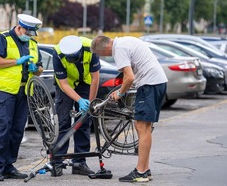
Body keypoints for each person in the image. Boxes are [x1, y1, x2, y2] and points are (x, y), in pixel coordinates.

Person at [90, 35, 167, 183]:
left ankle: (141, 172)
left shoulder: (118, 49)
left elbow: (130, 77)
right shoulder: (125, 41)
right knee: (144, 127)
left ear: (104, 48)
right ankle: (145, 168)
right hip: (157, 82)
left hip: (149, 85)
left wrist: (119, 93)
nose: (104, 56)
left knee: (142, 127)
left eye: (100, 54)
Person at [0, 14, 43, 181]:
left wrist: (35, 68)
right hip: (4, 91)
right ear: (19, 27)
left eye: (32, 33)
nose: (29, 36)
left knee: (17, 131)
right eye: (28, 32)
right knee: (3, 128)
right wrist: (17, 61)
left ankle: (8, 166)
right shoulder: (2, 38)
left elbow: (39, 69)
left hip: (23, 92)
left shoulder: (32, 43)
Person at [51, 35, 101, 176]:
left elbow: (95, 77)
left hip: (85, 83)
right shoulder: (58, 53)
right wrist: (79, 100)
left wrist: (89, 104)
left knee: (84, 123)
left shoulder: (90, 49)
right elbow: (64, 84)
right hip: (65, 86)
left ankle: (79, 163)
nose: (71, 60)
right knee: (63, 122)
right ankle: (58, 162)